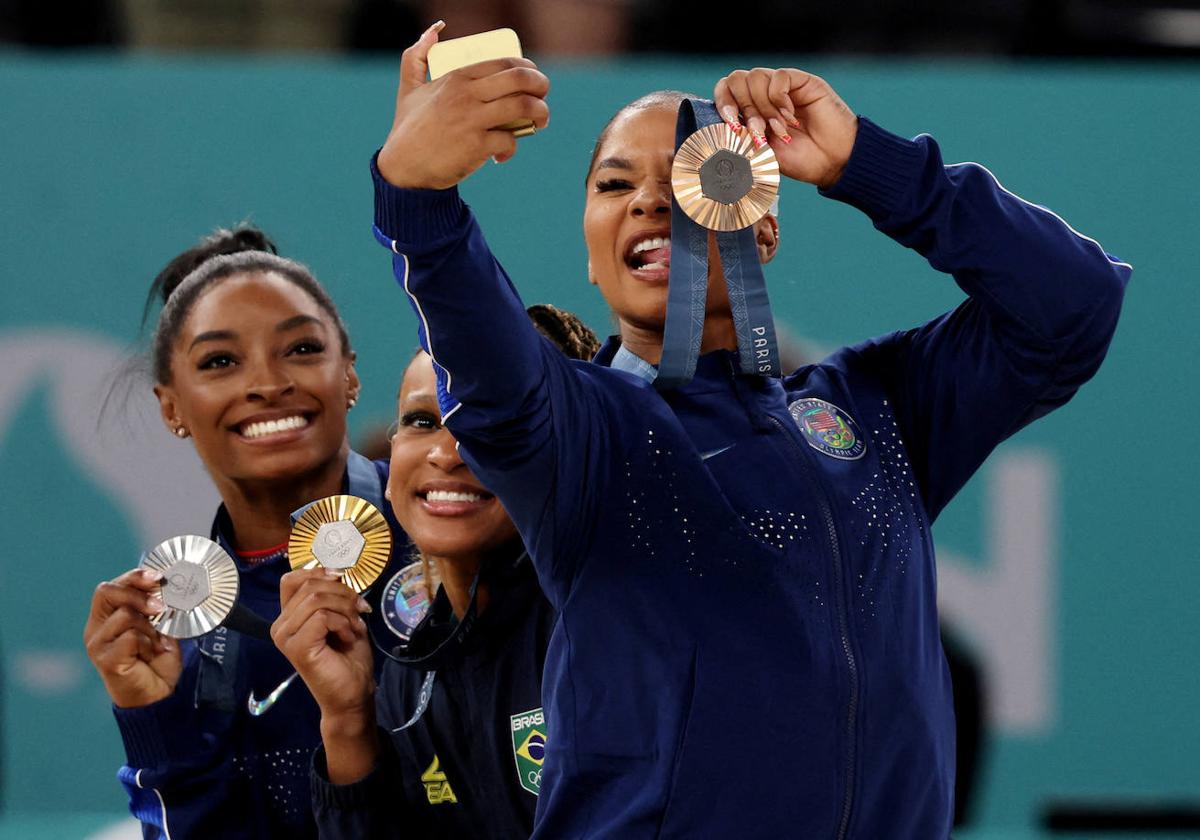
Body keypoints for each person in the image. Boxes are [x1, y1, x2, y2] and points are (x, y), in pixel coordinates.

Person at [369, 25, 1130, 838]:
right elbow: (483, 356)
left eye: (694, 176)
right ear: (593, 258)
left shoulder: (878, 405)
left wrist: (865, 165)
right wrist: (417, 198)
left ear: (762, 229)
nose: (650, 201)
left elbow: (1073, 305)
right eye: (615, 184)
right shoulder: (579, 434)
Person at [83, 227, 407, 839]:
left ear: (350, 374)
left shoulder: (441, 532)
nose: (266, 383)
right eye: (221, 362)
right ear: (171, 406)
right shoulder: (174, 630)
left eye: (302, 350)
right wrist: (153, 719)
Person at [271, 305, 598, 838]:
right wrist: (348, 721)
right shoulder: (407, 674)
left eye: (491, 421)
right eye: (423, 422)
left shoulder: (608, 629)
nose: (448, 453)